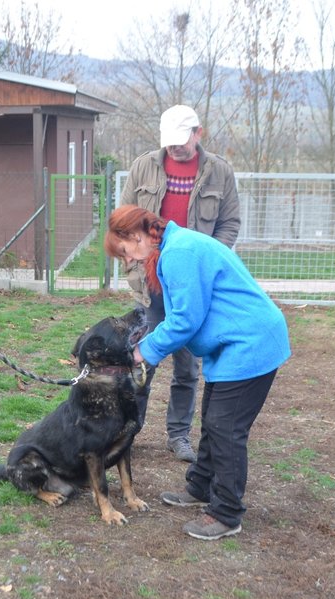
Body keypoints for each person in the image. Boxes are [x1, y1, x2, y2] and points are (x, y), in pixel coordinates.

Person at [104, 204, 289, 541]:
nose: (128, 260)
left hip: (251, 343)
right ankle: (201, 486)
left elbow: (185, 321)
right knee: (212, 419)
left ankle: (227, 513)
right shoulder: (173, 247)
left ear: (136, 234)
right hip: (230, 344)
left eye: (125, 251)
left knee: (225, 427)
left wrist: (141, 352)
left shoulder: (180, 253)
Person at [119, 104, 241, 463]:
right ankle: (129, 430)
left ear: (198, 132)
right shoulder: (144, 166)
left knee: (187, 366)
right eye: (169, 142)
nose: (175, 148)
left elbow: (229, 223)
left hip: (192, 286)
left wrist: (205, 265)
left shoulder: (219, 172)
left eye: (182, 141)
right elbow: (125, 219)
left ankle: (178, 435)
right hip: (152, 282)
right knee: (144, 358)